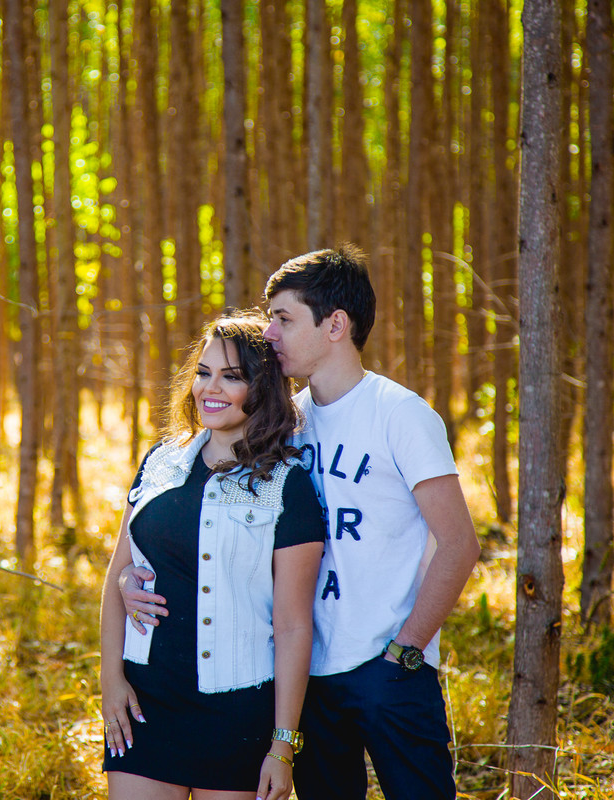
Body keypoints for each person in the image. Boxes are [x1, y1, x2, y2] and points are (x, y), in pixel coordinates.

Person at [121, 246, 481, 800]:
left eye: (284, 319)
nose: (269, 333)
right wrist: (131, 580)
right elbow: (210, 523)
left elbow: (458, 544)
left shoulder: (400, 413)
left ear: (335, 324)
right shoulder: (286, 421)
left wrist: (406, 650)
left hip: (388, 669)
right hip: (306, 676)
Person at [99, 312, 326, 800]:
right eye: (203, 372)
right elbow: (119, 573)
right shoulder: (160, 460)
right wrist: (111, 681)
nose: (210, 388)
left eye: (232, 376)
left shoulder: (287, 486)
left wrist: (282, 745)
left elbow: (292, 626)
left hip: (237, 715)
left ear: (262, 387)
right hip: (145, 704)